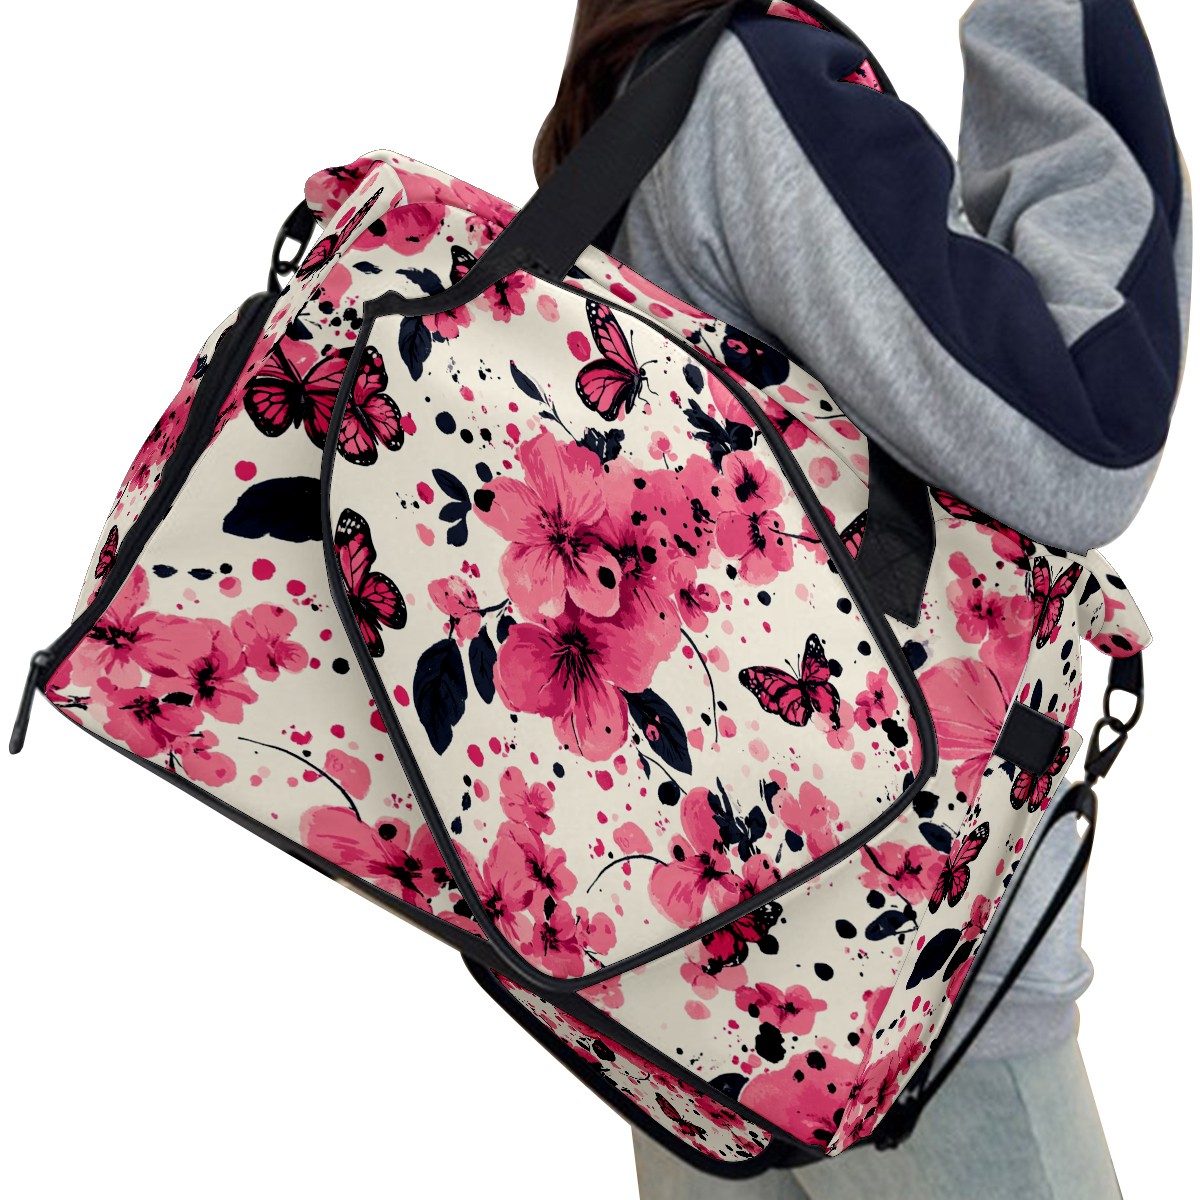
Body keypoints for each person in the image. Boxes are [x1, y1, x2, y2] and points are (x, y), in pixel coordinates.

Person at [533, 1, 1191, 1196]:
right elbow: (1085, 434)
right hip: (904, 994)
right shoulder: (758, 88)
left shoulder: (626, 122)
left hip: (675, 983)